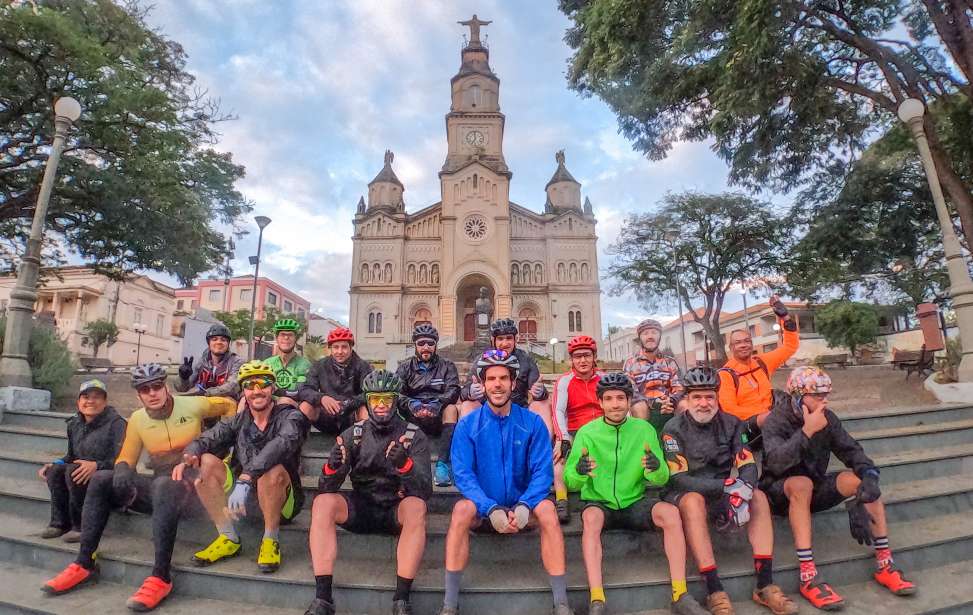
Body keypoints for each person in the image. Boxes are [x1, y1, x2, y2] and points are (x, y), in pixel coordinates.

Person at [41, 363, 237, 611]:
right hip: (159, 490)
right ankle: (84, 562)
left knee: (165, 485)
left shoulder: (193, 404)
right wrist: (122, 469)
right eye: (145, 389)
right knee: (103, 479)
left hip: (193, 490)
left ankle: (161, 576)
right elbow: (127, 456)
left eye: (156, 386)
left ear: (166, 388)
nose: (152, 393)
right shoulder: (138, 419)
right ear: (138, 395)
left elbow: (231, 406)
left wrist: (223, 449)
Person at [761, 366, 916, 611]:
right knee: (802, 483)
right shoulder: (776, 420)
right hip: (780, 492)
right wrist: (807, 431)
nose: (825, 400)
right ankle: (808, 576)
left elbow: (852, 451)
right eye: (818, 395)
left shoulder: (828, 418)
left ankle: (885, 564)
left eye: (826, 394)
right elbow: (775, 463)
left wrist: (869, 478)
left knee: (858, 480)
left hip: (814, 488)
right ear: (799, 396)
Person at [440, 350, 573, 615]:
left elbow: (542, 472)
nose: (497, 384)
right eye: (491, 379)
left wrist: (525, 504)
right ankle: (449, 604)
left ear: (513, 383)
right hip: (484, 512)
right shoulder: (468, 425)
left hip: (523, 508)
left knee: (547, 510)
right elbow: (463, 475)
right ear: (483, 383)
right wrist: (489, 507)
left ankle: (561, 603)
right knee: (460, 510)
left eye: (503, 378)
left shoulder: (532, 422)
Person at [564, 372, 708, 615]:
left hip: (635, 500)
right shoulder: (587, 433)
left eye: (620, 398)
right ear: (600, 403)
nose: (615, 404)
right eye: (608, 399)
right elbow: (570, 482)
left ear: (629, 401)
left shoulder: (644, 429)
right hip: (600, 502)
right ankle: (596, 598)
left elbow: (662, 478)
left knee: (671, 514)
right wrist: (579, 472)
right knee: (590, 519)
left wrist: (654, 467)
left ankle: (680, 593)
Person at [662, 367, 798, 615]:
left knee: (758, 496)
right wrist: (727, 487)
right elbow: (678, 478)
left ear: (717, 398)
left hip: (724, 491)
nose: (704, 403)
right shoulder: (673, 429)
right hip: (686, 492)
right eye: (697, 397)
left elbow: (746, 464)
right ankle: (714, 589)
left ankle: (765, 584)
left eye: (709, 397)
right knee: (693, 501)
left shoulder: (733, 424)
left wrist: (743, 489)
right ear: (687, 400)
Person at [306, 370, 431, 615]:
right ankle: (323, 599)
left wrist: (405, 465)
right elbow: (325, 487)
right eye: (375, 399)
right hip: (361, 505)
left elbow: (425, 491)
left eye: (387, 399)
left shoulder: (413, 435)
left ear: (396, 401)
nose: (381, 405)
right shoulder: (354, 434)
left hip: (396, 507)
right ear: (368, 401)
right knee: (322, 503)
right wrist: (332, 467)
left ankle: (401, 599)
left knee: (417, 507)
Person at [175, 360, 309, 573]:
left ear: (273, 388)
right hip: (242, 499)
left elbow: (283, 443)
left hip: (282, 500)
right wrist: (190, 454)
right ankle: (227, 537)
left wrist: (246, 477)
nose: (257, 391)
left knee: (272, 470)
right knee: (207, 462)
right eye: (249, 385)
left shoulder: (290, 416)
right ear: (243, 391)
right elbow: (208, 438)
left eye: (263, 384)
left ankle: (270, 540)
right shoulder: (238, 420)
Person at [38, 379, 126, 543]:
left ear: (105, 402)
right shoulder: (74, 424)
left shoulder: (117, 424)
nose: (90, 401)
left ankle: (81, 526)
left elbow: (123, 460)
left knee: (74, 470)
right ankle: (60, 523)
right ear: (79, 402)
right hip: (80, 476)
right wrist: (55, 463)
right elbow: (71, 456)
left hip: (108, 479)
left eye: (96, 397)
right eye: (85, 397)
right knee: (56, 470)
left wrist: (96, 466)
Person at [459, 318, 553, 433]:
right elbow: (464, 393)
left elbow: (540, 391)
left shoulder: (526, 359)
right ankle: (468, 445)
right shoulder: (481, 360)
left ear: (515, 340)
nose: (505, 343)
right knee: (468, 404)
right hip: (487, 411)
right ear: (493, 340)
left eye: (509, 338)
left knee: (542, 404)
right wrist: (470, 392)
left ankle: (543, 447)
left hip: (518, 410)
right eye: (500, 339)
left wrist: (540, 392)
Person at [394, 324, 460, 487]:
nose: (426, 347)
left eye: (430, 344)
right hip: (413, 416)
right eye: (421, 343)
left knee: (451, 409)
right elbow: (396, 393)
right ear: (415, 345)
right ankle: (400, 466)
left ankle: (442, 465)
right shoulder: (404, 367)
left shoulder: (447, 366)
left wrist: (437, 404)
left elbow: (453, 390)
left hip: (437, 414)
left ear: (436, 345)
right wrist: (411, 404)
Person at [718, 295, 799, 428]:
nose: (743, 345)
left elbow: (790, 347)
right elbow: (730, 410)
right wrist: (766, 415)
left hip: (773, 420)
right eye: (738, 343)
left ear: (752, 344)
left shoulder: (762, 362)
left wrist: (785, 318)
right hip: (747, 426)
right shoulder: (726, 374)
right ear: (731, 348)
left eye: (747, 341)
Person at [551, 335, 603, 524]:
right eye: (577, 356)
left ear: (594, 356)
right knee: (558, 461)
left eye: (587, 355)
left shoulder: (604, 379)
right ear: (571, 359)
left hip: (601, 430)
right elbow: (557, 410)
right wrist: (562, 438)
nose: (582, 360)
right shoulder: (564, 381)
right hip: (573, 431)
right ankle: (562, 500)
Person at [298, 326, 373, 434]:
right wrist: (322, 398)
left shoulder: (363, 366)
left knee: (364, 410)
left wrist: (349, 403)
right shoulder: (319, 366)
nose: (340, 351)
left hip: (351, 416)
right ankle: (297, 443)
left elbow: (368, 393)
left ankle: (363, 446)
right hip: (326, 414)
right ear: (330, 348)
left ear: (351, 347)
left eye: (344, 347)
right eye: (336, 347)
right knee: (305, 406)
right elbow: (305, 389)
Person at [623, 318, 684, 429]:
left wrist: (671, 400)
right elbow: (631, 391)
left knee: (685, 404)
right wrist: (654, 402)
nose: (650, 336)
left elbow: (679, 387)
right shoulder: (630, 363)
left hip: (668, 403)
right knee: (639, 407)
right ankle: (643, 442)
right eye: (645, 333)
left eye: (654, 332)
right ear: (640, 338)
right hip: (644, 405)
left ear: (659, 336)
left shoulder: (670, 362)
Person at [177, 323, 245, 399]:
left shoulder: (237, 361)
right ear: (209, 343)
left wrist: (207, 393)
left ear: (228, 344)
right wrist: (184, 378)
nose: (219, 342)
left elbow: (232, 387)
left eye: (223, 340)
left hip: (229, 406)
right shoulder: (202, 362)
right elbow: (182, 389)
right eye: (214, 339)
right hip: (204, 405)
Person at [263, 318, 312, 406]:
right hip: (270, 406)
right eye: (282, 334)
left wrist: (279, 393)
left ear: (295, 339)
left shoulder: (305, 364)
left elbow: (302, 392)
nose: (286, 338)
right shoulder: (267, 364)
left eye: (290, 335)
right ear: (276, 338)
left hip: (295, 408)